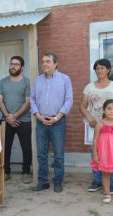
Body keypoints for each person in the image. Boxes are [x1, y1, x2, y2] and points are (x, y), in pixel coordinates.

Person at [80, 59, 113, 193]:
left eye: (102, 68)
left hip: (111, 126)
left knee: (110, 153)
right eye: (97, 68)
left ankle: (111, 184)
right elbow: (82, 106)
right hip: (94, 126)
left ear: (108, 70)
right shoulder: (89, 87)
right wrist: (89, 118)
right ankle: (97, 181)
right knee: (95, 152)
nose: (99, 70)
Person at [30, 52, 73, 193]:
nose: (44, 64)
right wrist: (37, 115)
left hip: (57, 121)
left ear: (55, 64)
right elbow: (32, 99)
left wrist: (57, 117)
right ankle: (43, 182)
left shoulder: (65, 79)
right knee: (41, 154)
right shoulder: (38, 80)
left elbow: (69, 100)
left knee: (58, 154)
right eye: (43, 62)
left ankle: (58, 181)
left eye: (48, 61)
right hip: (41, 121)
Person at [0, 56, 32, 184]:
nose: (13, 66)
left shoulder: (27, 82)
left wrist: (14, 116)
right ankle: (5, 171)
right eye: (11, 64)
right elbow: (0, 100)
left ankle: (26, 171)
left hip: (24, 120)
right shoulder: (2, 82)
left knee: (26, 147)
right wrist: (7, 116)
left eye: (16, 64)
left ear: (22, 68)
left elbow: (28, 102)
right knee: (4, 147)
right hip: (5, 120)